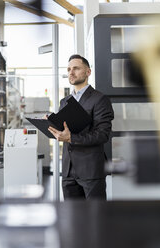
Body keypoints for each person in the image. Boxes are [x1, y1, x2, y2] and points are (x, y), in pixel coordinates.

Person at [48, 54, 114, 200]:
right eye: (69, 69)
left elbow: (102, 134)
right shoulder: (64, 101)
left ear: (88, 72)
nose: (71, 72)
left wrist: (71, 137)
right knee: (72, 218)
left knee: (95, 218)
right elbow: (65, 129)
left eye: (76, 68)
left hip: (90, 171)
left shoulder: (100, 99)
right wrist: (52, 125)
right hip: (68, 170)